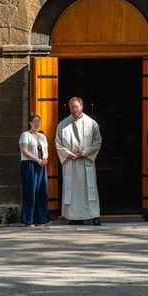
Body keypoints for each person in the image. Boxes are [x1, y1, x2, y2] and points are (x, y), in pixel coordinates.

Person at [55, 96, 103, 225]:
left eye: (76, 107)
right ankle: (74, 217)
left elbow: (97, 141)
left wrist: (85, 153)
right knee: (73, 192)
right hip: (71, 162)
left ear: (81, 107)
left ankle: (94, 215)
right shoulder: (63, 124)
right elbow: (58, 143)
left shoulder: (91, 123)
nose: (74, 109)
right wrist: (69, 154)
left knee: (90, 190)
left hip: (85, 161)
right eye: (71, 107)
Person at [18, 113, 49, 226]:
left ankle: (41, 219)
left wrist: (44, 158)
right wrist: (37, 159)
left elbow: (46, 150)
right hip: (29, 165)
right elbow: (24, 151)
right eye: (34, 122)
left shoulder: (42, 136)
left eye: (38, 122)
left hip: (41, 165)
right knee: (30, 192)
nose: (37, 124)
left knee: (42, 192)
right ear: (30, 123)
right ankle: (28, 219)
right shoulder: (25, 135)